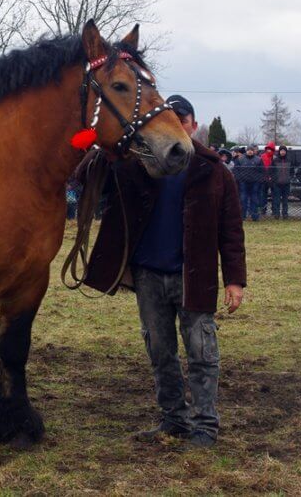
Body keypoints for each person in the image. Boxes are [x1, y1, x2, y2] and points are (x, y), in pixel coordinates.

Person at [84, 94, 246, 449]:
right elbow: (93, 178)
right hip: (149, 276)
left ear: (193, 124)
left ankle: (205, 425)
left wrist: (234, 279)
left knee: (201, 352)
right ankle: (174, 418)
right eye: (172, 120)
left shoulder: (214, 171)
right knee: (160, 351)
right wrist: (98, 142)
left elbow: (231, 231)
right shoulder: (142, 166)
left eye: (183, 120)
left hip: (194, 277)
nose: (179, 127)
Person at [232, 145, 263, 221]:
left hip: (255, 183)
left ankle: (254, 216)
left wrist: (258, 179)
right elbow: (236, 170)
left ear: (253, 151)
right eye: (248, 150)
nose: (250, 151)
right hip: (243, 182)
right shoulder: (240, 159)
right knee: (243, 199)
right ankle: (242, 216)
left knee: (254, 199)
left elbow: (261, 171)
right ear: (246, 151)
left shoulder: (258, 159)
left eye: (251, 150)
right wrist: (239, 178)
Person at [270, 145, 292, 219]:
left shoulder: (289, 160)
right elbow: (271, 171)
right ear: (279, 151)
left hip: (286, 183)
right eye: (281, 150)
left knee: (285, 200)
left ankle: (285, 214)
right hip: (277, 183)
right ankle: (277, 214)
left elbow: (292, 171)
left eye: (284, 151)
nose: (283, 152)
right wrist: (274, 179)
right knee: (277, 200)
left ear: (286, 152)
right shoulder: (275, 160)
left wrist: (290, 178)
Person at [259, 141, 275, 216]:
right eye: (268, 148)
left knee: (274, 195)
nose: (269, 150)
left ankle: (274, 210)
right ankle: (263, 210)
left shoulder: (274, 157)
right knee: (263, 195)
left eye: (271, 149)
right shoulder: (262, 156)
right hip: (264, 179)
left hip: (272, 179)